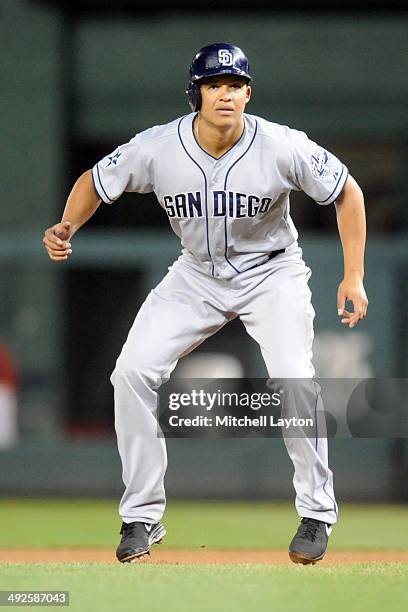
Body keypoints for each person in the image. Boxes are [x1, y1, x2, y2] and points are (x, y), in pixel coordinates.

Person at [43, 43, 368, 565]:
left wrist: (353, 275)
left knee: (293, 377)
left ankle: (316, 512)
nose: (226, 94)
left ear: (248, 93)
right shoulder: (158, 147)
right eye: (215, 84)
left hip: (272, 271)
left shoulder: (281, 145)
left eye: (235, 85)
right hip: (196, 273)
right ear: (197, 94)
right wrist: (67, 225)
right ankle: (142, 517)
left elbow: (347, 191)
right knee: (131, 371)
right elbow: (95, 182)